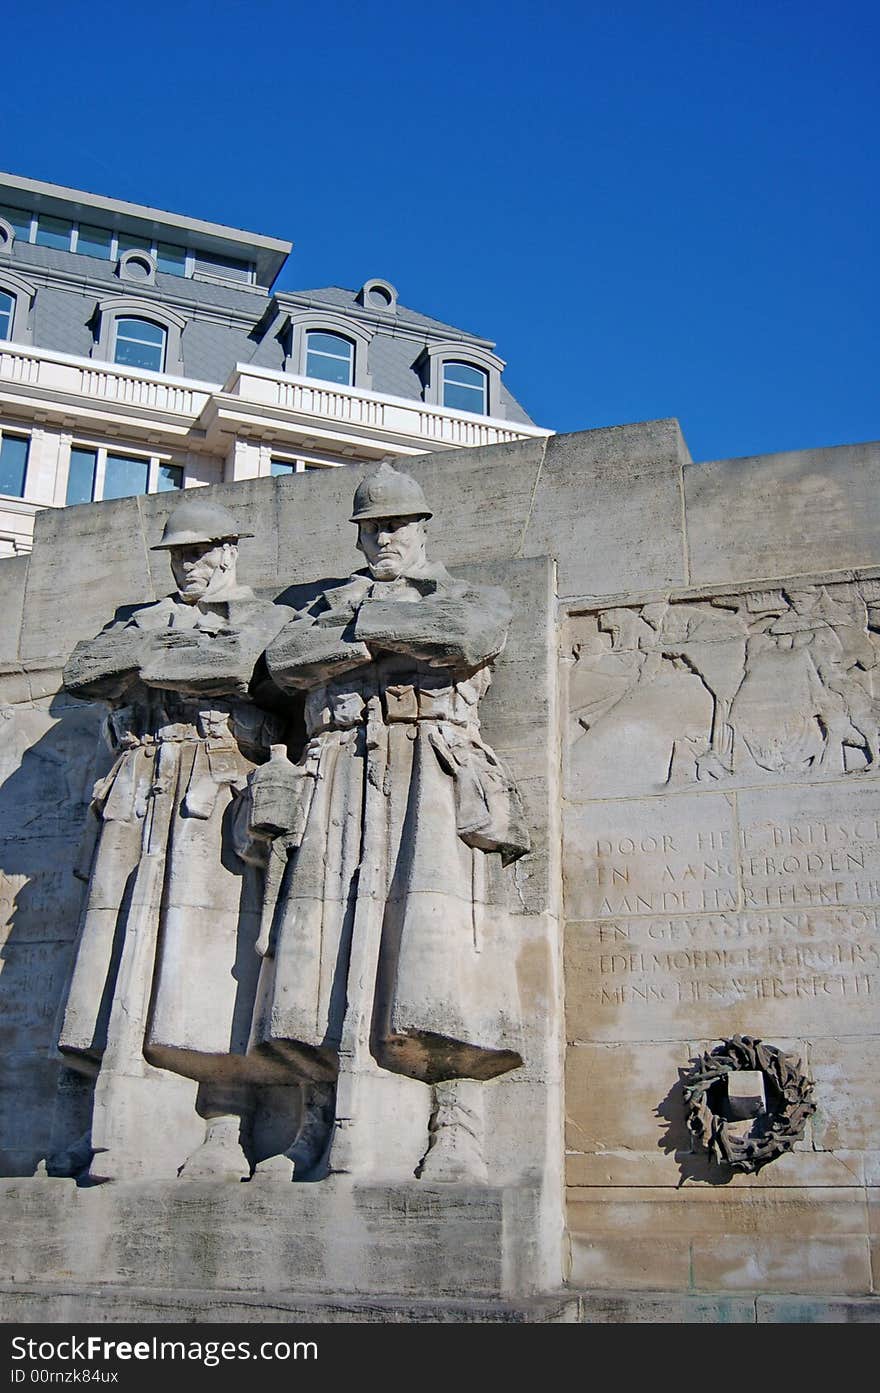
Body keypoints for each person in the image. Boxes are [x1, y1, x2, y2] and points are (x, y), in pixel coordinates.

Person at [247, 461, 530, 1182]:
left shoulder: (467, 595)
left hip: (429, 770)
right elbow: (285, 660)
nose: (382, 540)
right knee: (316, 959)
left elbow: (464, 636)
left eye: (396, 526)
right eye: (371, 529)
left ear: (423, 527)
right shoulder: (323, 607)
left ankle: (455, 1122)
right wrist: (372, 635)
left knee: (440, 960)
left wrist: (363, 629)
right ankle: (315, 1117)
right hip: (338, 770)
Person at [57, 498, 295, 1181]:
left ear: (228, 550)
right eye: (177, 553)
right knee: (114, 961)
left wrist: (151, 660)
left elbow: (249, 668)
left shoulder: (264, 616)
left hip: (215, 786)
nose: (187, 564)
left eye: (199, 551)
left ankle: (225, 1122)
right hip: (139, 785)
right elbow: (84, 672)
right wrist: (170, 650)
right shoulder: (140, 619)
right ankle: (115, 1122)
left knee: (214, 962)